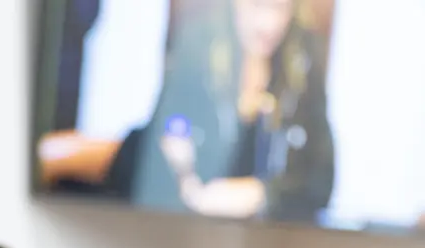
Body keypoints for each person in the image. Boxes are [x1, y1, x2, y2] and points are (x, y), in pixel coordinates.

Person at [114, 0, 335, 221]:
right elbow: (145, 165)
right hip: (189, 229)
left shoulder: (302, 69)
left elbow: (321, 181)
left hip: (271, 236)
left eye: (279, 7)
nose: (269, 23)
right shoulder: (194, 56)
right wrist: (184, 179)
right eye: (257, 4)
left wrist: (262, 195)